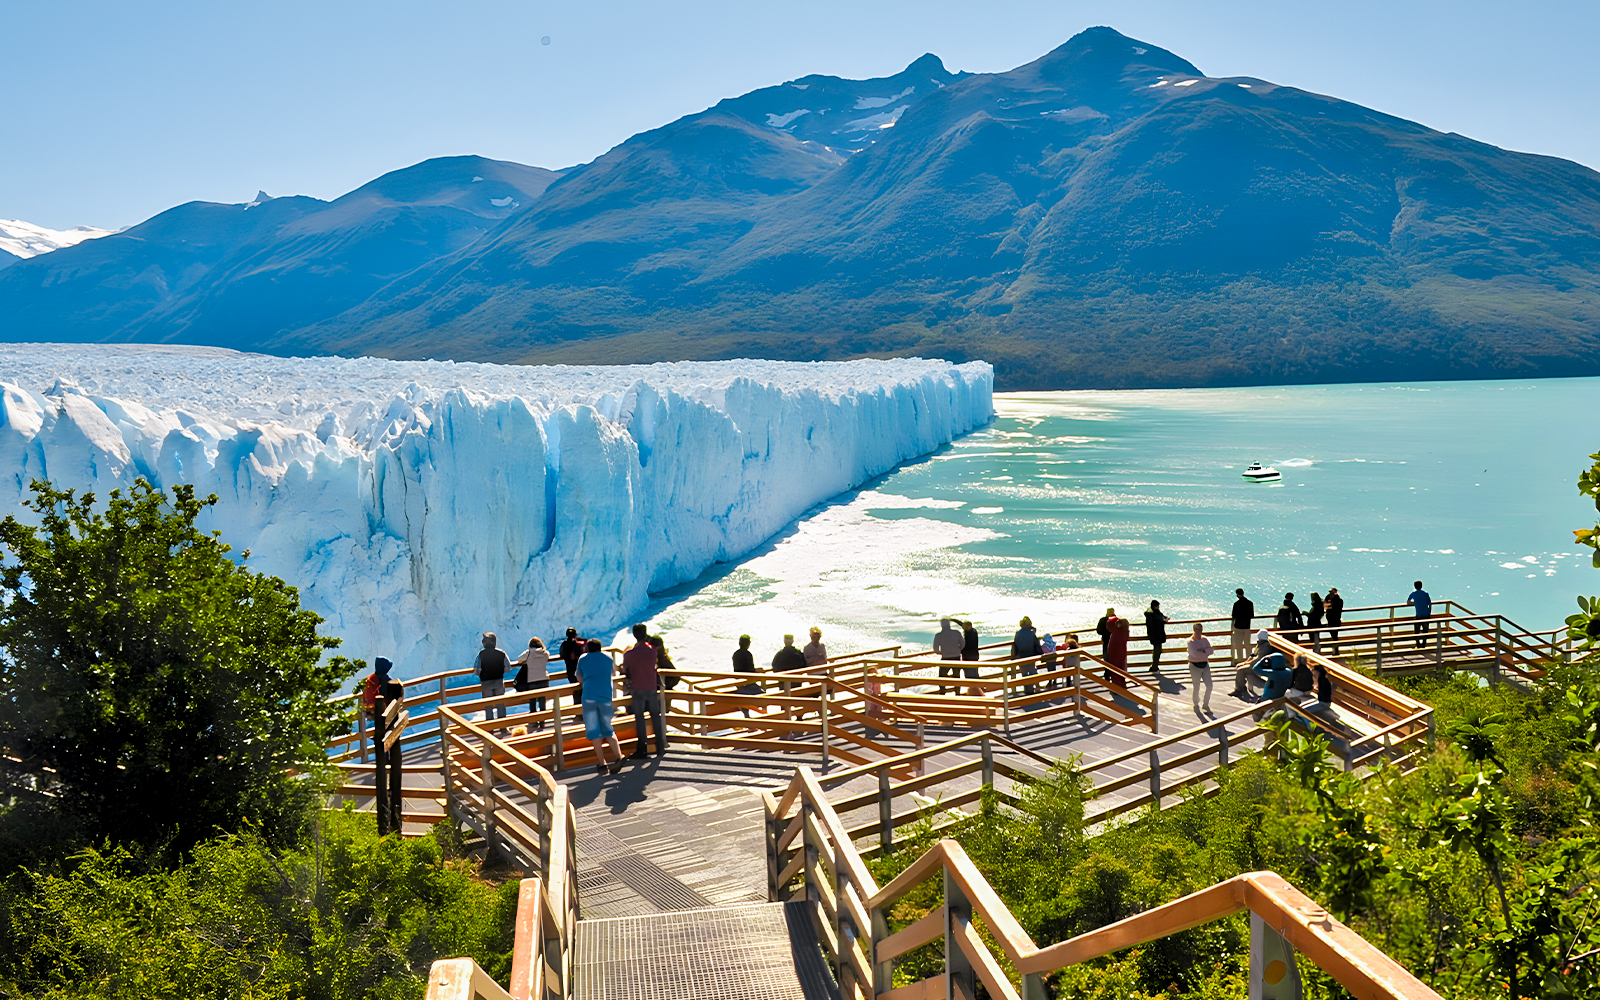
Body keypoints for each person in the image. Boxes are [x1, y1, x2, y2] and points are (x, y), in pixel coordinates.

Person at [576, 639, 624, 775]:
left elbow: (579, 678)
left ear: (587, 648)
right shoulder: (608, 657)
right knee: (608, 728)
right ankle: (619, 757)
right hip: (605, 697)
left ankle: (602, 764)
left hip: (589, 697)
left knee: (594, 731)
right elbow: (613, 673)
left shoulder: (583, 659)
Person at [623, 624, 667, 758]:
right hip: (651, 687)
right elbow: (657, 644)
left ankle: (642, 748)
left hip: (637, 688)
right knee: (655, 716)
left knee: (640, 719)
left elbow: (626, 669)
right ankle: (660, 746)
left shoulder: (629, 655)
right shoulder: (652, 651)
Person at [512, 637, 551, 729]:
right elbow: (547, 656)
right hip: (544, 680)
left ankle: (533, 721)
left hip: (532, 680)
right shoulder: (545, 653)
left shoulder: (528, 653)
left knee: (532, 701)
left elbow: (519, 659)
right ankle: (542, 722)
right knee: (542, 702)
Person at [475, 632, 513, 721]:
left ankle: (490, 727)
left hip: (486, 683)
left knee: (488, 706)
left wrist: (483, 674)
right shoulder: (501, 653)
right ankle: (503, 726)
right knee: (500, 704)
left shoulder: (481, 655)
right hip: (499, 681)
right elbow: (508, 668)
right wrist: (499, 671)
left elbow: (477, 670)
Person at [1186, 623, 1214, 715]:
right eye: (1197, 631)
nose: (1199, 633)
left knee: (1209, 685)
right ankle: (1196, 703)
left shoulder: (1205, 640)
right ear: (1194, 631)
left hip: (1205, 665)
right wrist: (1205, 651)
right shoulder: (1191, 642)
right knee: (1196, 686)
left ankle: (1205, 704)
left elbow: (1211, 651)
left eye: (1200, 631)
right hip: (1194, 666)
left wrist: (1202, 651)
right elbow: (1195, 654)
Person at [732, 634, 761, 718]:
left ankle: (746, 715)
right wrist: (758, 671)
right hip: (748, 683)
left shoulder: (736, 654)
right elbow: (750, 670)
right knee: (763, 695)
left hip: (739, 683)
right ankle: (763, 716)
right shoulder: (748, 654)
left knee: (744, 698)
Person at [934, 618, 964, 693]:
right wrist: (958, 650)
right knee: (956, 676)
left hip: (945, 658)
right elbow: (963, 644)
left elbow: (936, 649)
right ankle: (957, 693)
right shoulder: (957, 633)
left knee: (942, 677)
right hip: (956, 657)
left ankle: (942, 693)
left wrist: (942, 652)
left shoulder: (938, 635)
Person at [1104, 611, 1130, 687]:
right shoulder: (1125, 631)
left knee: (1114, 667)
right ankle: (1122, 684)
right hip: (1122, 651)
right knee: (1121, 666)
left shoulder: (1116, 631)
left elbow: (1108, 626)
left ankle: (1116, 685)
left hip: (1113, 651)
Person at [1230, 589, 1255, 666]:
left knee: (1238, 645)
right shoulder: (1250, 603)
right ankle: (1249, 660)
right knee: (1248, 645)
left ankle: (1240, 661)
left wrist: (1232, 628)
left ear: (1237, 594)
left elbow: (1233, 617)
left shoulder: (1236, 604)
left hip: (1238, 627)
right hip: (1247, 627)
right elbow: (1251, 615)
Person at [1144, 600, 1171, 671]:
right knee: (1157, 651)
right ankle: (1154, 666)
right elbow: (1159, 620)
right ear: (1155, 607)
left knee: (1157, 650)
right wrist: (1165, 620)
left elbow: (1160, 616)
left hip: (1154, 635)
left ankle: (1154, 666)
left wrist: (1165, 618)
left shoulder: (1151, 613)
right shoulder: (1153, 615)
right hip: (1157, 635)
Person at [960, 620, 983, 694]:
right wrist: (953, 620)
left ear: (969, 626)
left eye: (965, 627)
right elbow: (961, 624)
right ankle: (976, 689)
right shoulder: (973, 631)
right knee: (973, 673)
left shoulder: (971, 634)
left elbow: (967, 645)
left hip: (969, 657)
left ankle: (976, 690)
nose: (964, 628)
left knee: (971, 674)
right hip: (973, 656)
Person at [1408, 580, 1432, 648]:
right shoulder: (1425, 593)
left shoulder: (1413, 594)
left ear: (1415, 587)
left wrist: (1415, 603)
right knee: (1425, 630)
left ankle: (1418, 645)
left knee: (1417, 631)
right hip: (1426, 614)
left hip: (1419, 615)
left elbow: (1408, 602)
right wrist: (1429, 613)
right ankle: (1424, 644)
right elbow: (1430, 604)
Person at [1036, 629, 1056, 695]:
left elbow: (1041, 651)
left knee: (1049, 670)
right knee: (1054, 669)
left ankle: (1050, 681)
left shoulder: (1045, 645)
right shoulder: (1053, 643)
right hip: (1054, 658)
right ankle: (1054, 680)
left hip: (1048, 659)